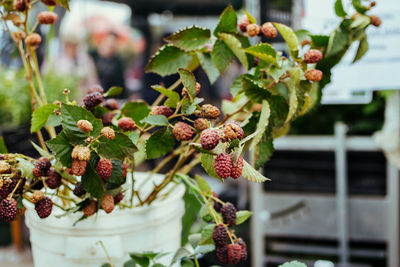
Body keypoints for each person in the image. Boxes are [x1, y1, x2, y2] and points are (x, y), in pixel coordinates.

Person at [90, 31, 127, 98]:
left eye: (113, 42)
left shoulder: (117, 61)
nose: (111, 44)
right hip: (93, 96)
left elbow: (120, 84)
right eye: (109, 41)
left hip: (109, 98)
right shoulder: (92, 55)